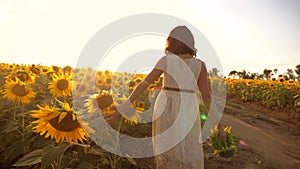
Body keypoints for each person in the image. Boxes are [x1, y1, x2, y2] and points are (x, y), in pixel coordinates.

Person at [105, 25, 225, 169]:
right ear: (190, 43)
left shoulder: (166, 60)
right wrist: (219, 126)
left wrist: (120, 110)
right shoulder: (199, 65)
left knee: (167, 148)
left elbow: (143, 85)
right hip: (188, 108)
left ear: (171, 41)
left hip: (166, 106)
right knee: (187, 147)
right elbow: (206, 97)